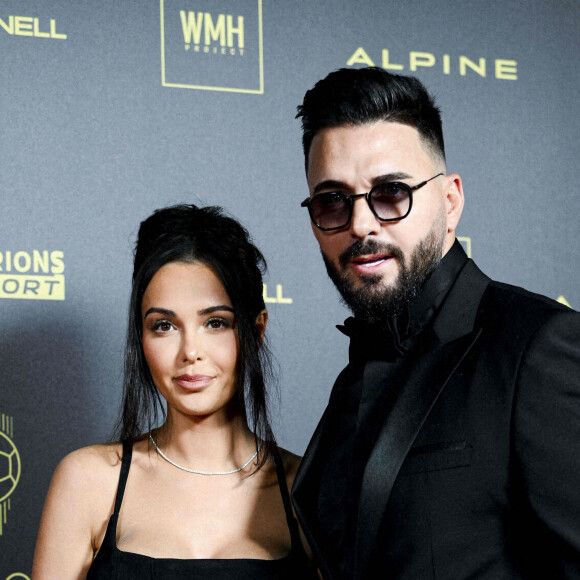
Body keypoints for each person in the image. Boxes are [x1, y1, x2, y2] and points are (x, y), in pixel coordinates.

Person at [291, 67, 580, 579]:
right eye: (333, 200)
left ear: (450, 202)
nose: (361, 224)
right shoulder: (350, 385)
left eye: (392, 193)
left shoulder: (538, 349)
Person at [32, 204, 315, 579]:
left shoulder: (307, 489)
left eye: (215, 323)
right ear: (142, 337)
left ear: (256, 331)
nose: (189, 353)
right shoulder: (88, 481)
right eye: (164, 326)